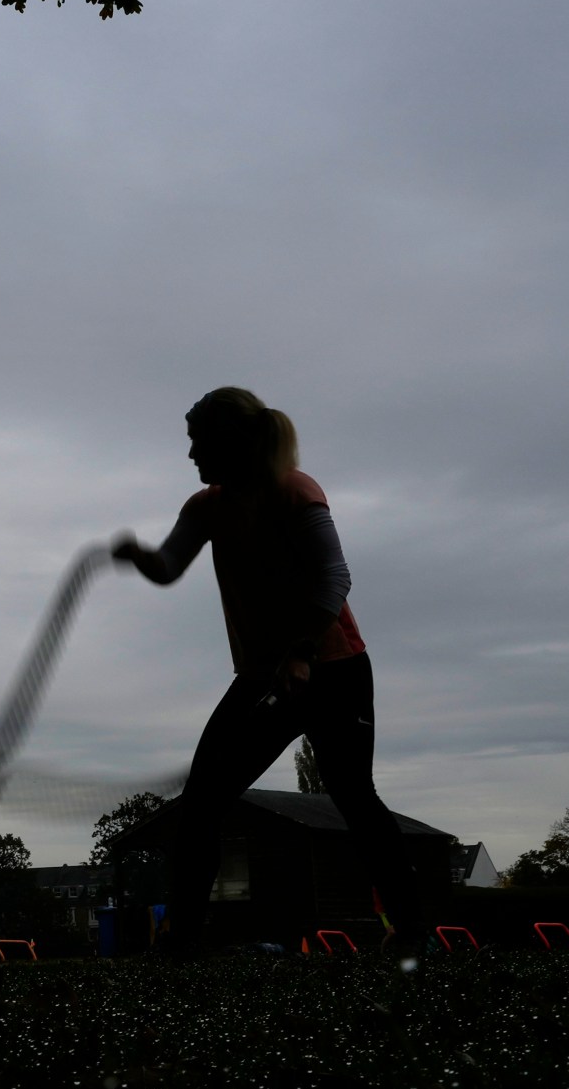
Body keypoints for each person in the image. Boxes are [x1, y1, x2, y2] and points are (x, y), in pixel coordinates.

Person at [112, 387, 425, 953]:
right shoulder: (206, 506)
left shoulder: (294, 492)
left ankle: (413, 934)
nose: (190, 456)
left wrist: (303, 650)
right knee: (203, 799)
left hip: (334, 669)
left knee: (354, 797)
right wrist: (139, 556)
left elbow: (335, 577)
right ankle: (180, 942)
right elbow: (168, 566)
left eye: (197, 442)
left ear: (230, 441)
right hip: (263, 677)